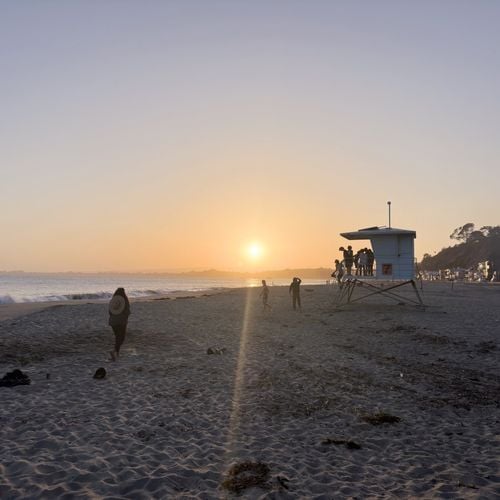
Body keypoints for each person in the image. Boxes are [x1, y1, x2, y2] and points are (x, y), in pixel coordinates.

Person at [108, 287, 131, 361]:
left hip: (113, 322)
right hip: (121, 322)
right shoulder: (124, 300)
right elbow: (127, 311)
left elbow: (110, 312)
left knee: (117, 337)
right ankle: (114, 351)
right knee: (121, 338)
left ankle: (117, 353)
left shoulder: (113, 301)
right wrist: (125, 318)